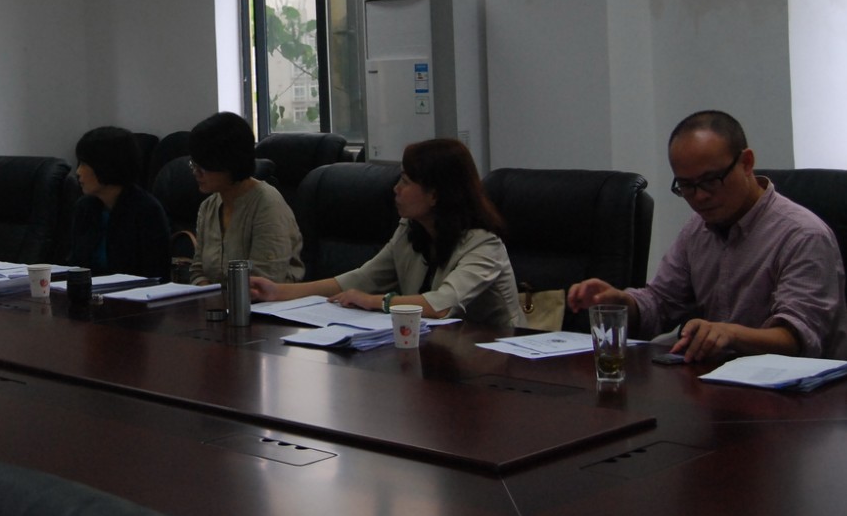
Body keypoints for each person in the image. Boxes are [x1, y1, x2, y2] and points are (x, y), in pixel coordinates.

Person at [568, 110, 847, 362]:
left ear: (746, 163)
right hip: (718, 383)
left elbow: (799, 339)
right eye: (686, 186)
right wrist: (621, 303)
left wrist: (730, 334)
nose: (700, 197)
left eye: (711, 181)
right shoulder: (697, 229)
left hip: (800, 394)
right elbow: (662, 302)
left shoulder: (803, 235)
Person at [250, 138, 524, 328]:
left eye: (406, 181)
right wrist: (279, 291)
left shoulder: (484, 244)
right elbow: (362, 279)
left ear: (435, 195)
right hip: (436, 350)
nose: (396, 188)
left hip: (497, 360)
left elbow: (441, 305)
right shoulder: (411, 229)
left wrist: (374, 301)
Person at [187, 111, 303, 285]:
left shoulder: (267, 205)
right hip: (218, 301)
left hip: (264, 301)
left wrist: (214, 296)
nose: (196, 172)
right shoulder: (208, 207)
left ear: (230, 163)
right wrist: (205, 292)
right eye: (194, 164)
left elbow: (263, 282)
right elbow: (198, 270)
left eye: (204, 166)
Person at [68, 126, 172, 279]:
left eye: (84, 164)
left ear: (106, 165)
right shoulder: (84, 207)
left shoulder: (147, 210)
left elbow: (156, 274)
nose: (78, 172)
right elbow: (76, 265)